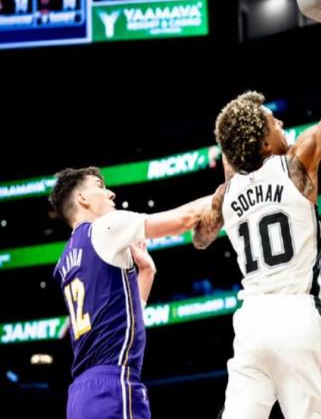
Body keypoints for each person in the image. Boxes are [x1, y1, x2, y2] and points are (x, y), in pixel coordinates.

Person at [192, 34, 321, 419]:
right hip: (296, 316)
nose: (282, 123)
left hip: (250, 324)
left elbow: (200, 238)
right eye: (274, 121)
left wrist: (228, 179)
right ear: (264, 144)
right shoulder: (296, 164)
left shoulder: (225, 193)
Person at [49, 166, 209, 419]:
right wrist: (229, 193)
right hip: (113, 386)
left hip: (80, 397)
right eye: (100, 187)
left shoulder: (64, 261)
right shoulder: (104, 227)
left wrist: (147, 272)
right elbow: (184, 219)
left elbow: (123, 317)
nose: (111, 193)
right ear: (82, 198)